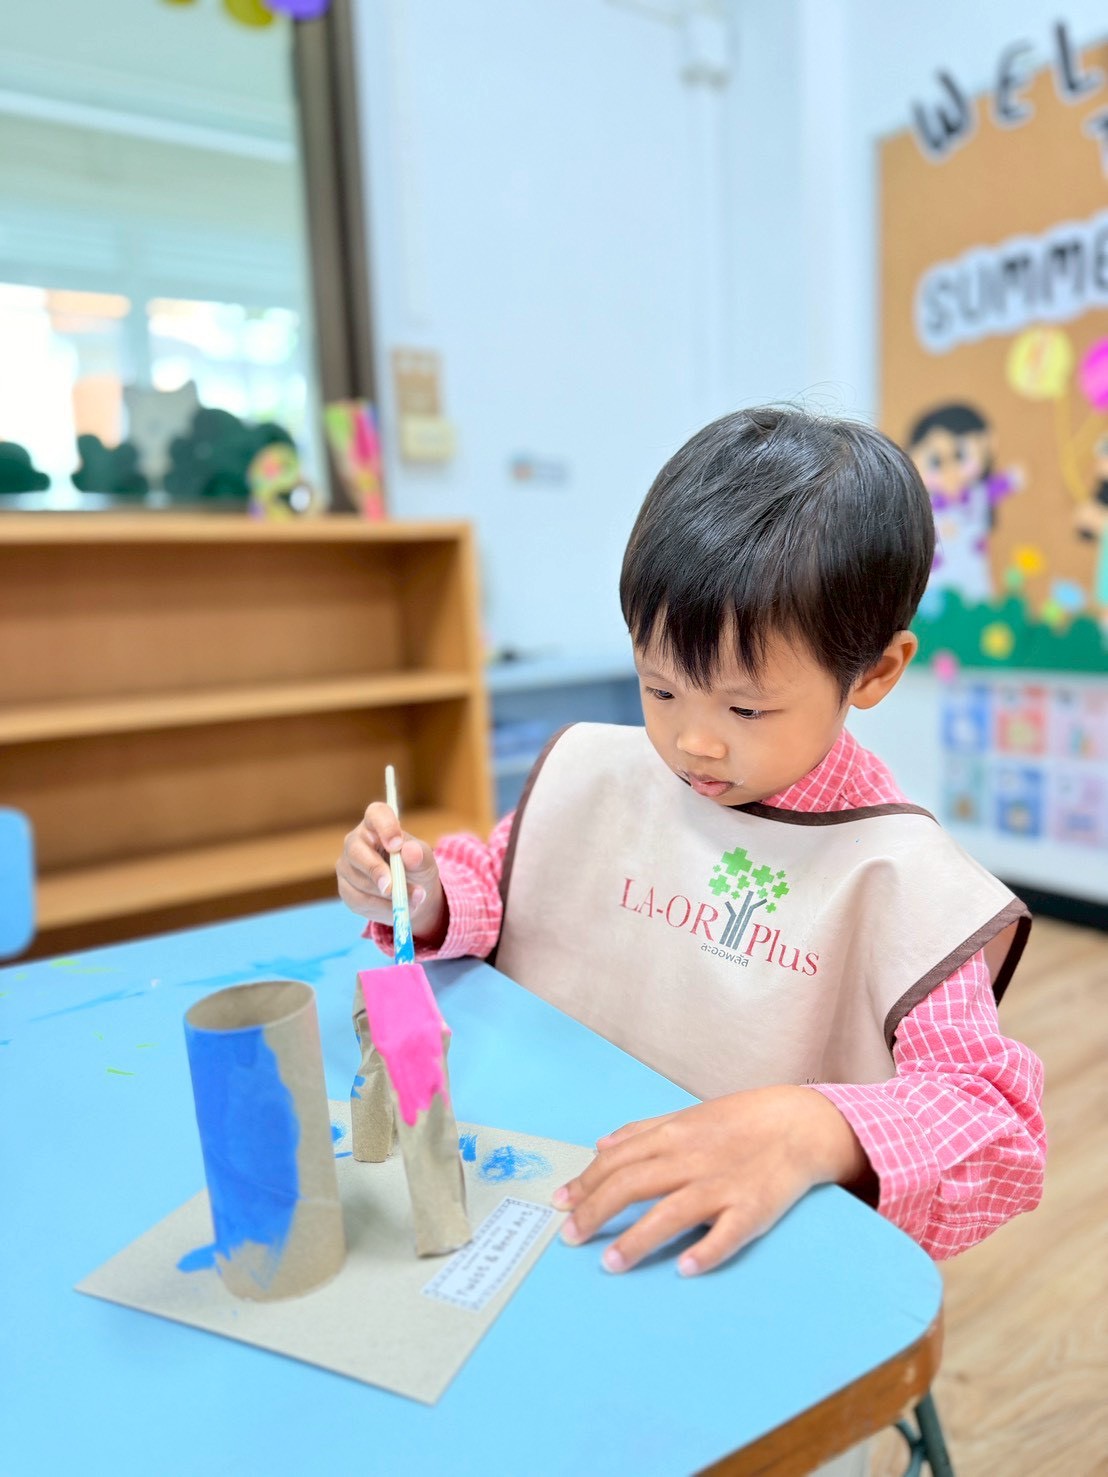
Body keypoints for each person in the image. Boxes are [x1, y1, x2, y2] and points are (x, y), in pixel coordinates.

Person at [337, 406, 1046, 1279]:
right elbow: (503, 884)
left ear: (876, 672)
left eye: (745, 707)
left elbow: (995, 1127)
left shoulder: (901, 878)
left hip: (739, 1257)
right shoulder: (603, 773)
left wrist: (811, 1126)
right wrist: (423, 892)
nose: (692, 742)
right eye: (660, 688)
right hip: (541, 1191)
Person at [906, 402, 1021, 605]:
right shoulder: (924, 506)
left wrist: (1015, 477)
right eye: (936, 462)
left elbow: (1004, 484)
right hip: (937, 579)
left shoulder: (977, 497)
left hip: (974, 576)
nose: (949, 470)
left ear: (986, 445)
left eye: (959, 456)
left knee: (976, 607)